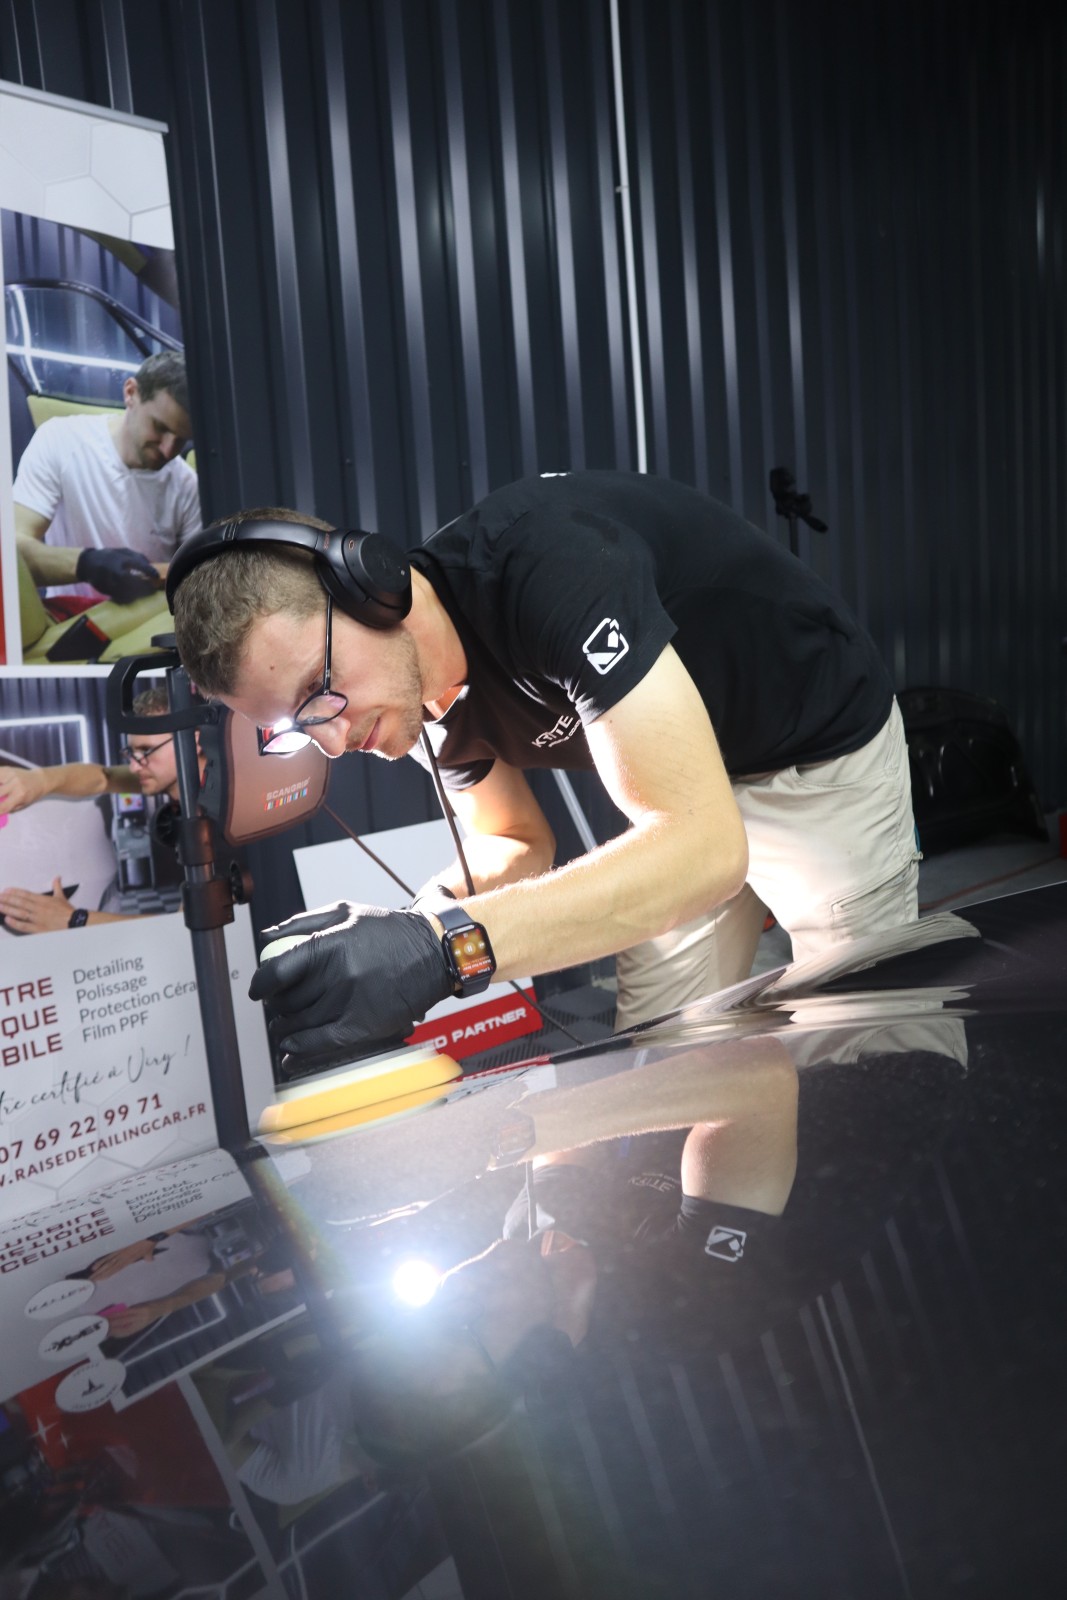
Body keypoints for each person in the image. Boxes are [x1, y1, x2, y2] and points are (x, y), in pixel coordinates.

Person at [168, 472, 920, 1062]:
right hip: (685, 794)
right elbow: (515, 841)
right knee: (672, 1055)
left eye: (319, 690)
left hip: (814, 749)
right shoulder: (405, 695)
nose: (333, 742)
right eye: (297, 729)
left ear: (370, 585)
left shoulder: (547, 568)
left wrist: (445, 952)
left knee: (863, 1040)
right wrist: (416, 923)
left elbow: (704, 851)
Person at [0, 688, 199, 933]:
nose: (134, 767)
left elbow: (190, 929)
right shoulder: (181, 778)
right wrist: (40, 780)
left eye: (146, 751)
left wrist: (74, 920)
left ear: (194, 741)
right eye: (131, 753)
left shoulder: (222, 819)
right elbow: (104, 778)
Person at [14, 351, 200, 604]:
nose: (168, 450)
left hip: (150, 619)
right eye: (160, 427)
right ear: (131, 393)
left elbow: (198, 580)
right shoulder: (60, 441)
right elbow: (15, 549)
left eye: (181, 440)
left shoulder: (187, 486)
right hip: (74, 619)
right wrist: (86, 564)